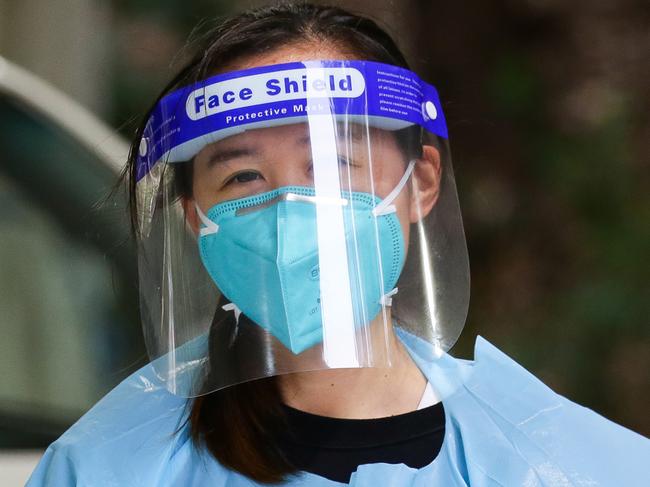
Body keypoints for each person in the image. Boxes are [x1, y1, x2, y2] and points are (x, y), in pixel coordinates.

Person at [27, 3, 649, 486]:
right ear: (195, 217)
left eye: (330, 165)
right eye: (243, 176)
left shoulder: (568, 466)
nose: (288, 209)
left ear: (420, 184)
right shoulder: (104, 469)